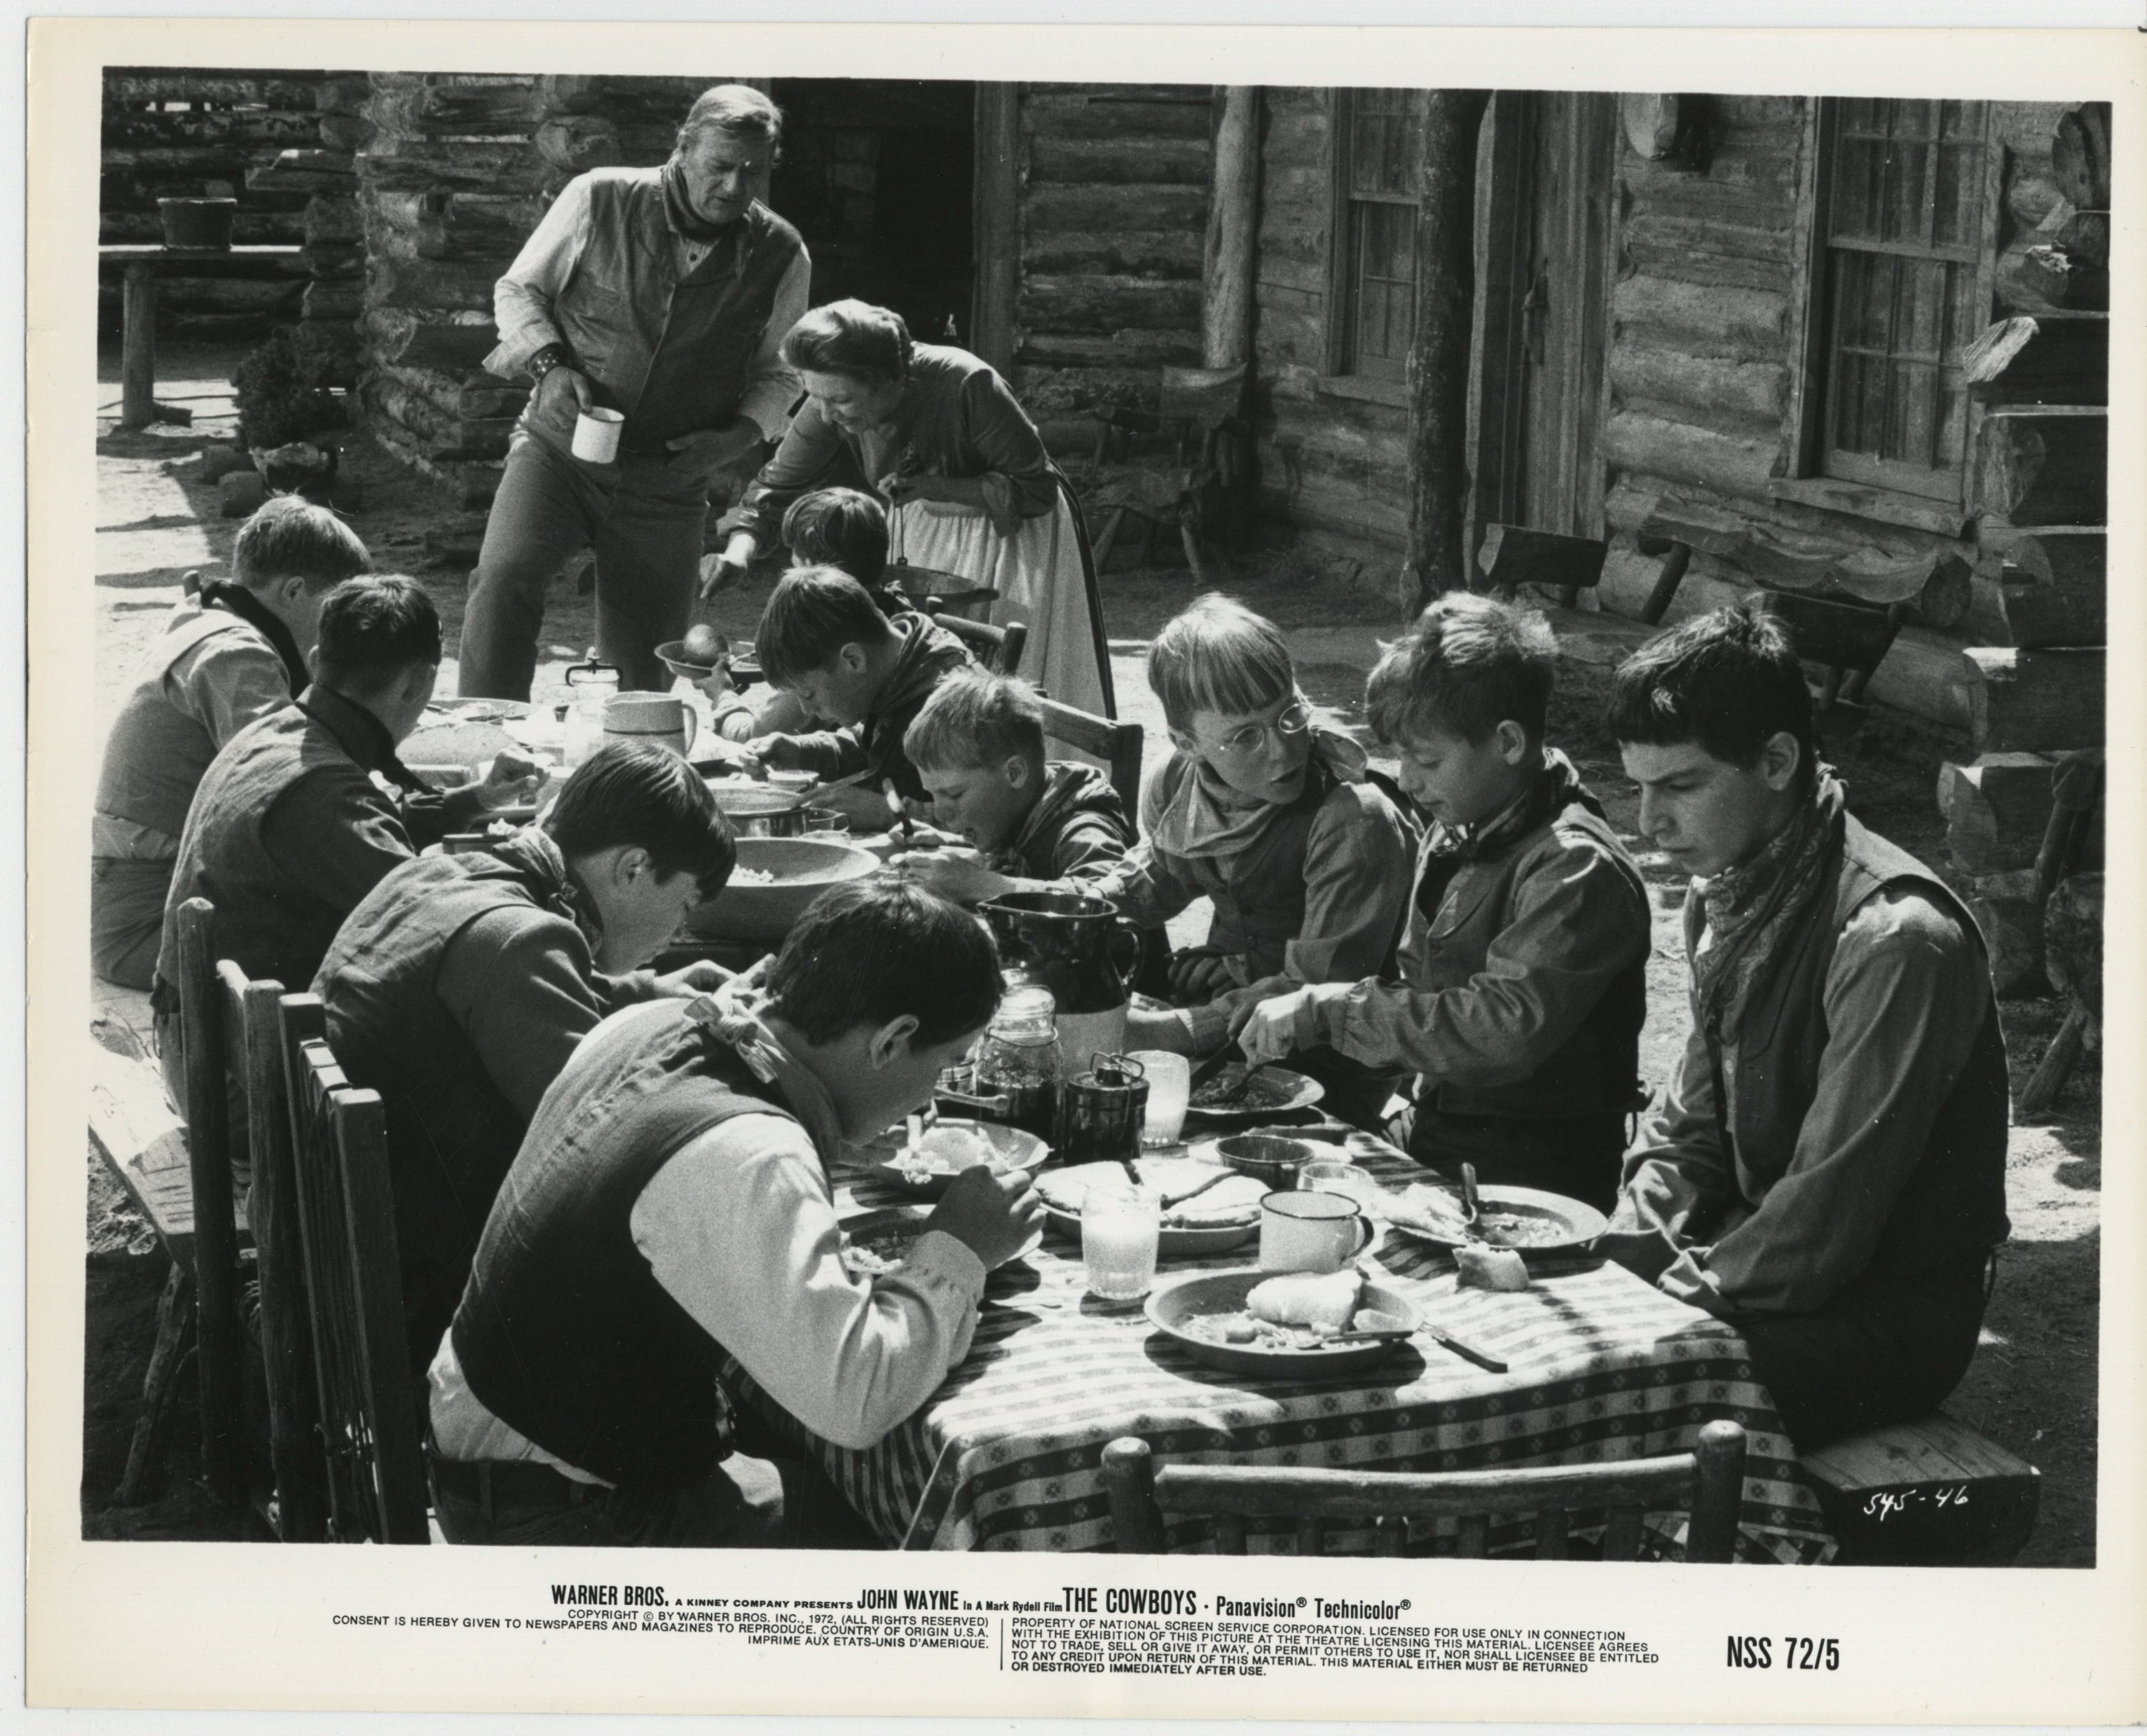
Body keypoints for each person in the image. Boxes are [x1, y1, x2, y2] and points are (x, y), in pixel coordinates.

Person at [425, 879, 1044, 1548]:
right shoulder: (754, 1155)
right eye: (947, 1063)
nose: (931, 1099)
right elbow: (855, 1398)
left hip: (490, 1445)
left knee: (823, 1475)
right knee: (897, 1537)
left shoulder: (650, 1025)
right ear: (892, 1040)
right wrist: (958, 1250)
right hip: (552, 1514)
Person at [1594, 604, 2011, 1450]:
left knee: (1597, 1405)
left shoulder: (1893, 940)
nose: (1648, 823)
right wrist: (1615, 1259)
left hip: (1877, 1318)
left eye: (1679, 786)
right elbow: (1690, 1131)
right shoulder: (1732, 892)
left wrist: (1672, 1296)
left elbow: (1827, 1217)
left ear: (1778, 760)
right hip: (1756, 1270)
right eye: (1638, 787)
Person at [314, 743, 738, 1370]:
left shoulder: (440, 872)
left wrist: (649, 992)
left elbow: (508, 986)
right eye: (685, 905)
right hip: (409, 1299)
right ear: (633, 869)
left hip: (339, 1235)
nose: (678, 932)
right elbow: (599, 1147)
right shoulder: (521, 940)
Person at [1230, 595, 1649, 1210]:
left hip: (1532, 1166)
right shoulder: (1462, 824)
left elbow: (1501, 1028)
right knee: (1278, 1176)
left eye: (1427, 759)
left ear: (1508, 741)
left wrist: (1334, 1010)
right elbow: (1421, 989)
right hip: (1443, 1128)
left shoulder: (1572, 867)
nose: (1408, 780)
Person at [458, 84, 810, 699]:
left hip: (670, 477)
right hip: (560, 449)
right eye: (719, 167)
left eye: (752, 172)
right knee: (504, 579)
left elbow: (780, 373)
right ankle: (486, 739)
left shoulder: (783, 253)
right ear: (682, 148)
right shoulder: (600, 196)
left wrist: (738, 436)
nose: (733, 187)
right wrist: (550, 364)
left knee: (644, 668)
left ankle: (626, 780)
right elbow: (518, 290)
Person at [152, 577, 542, 1103]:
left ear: (316, 660)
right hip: (246, 1093)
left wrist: (473, 800)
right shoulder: (322, 793)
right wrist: (540, 855)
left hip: (204, 1048)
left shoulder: (281, 732)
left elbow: (359, 822)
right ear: (420, 683)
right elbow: (442, 919)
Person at [707, 299, 1114, 719]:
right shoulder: (828, 396)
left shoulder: (965, 383)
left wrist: (935, 486)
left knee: (1005, 672)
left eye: (841, 400)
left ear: (887, 380)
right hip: (921, 524)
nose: (825, 414)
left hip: (1009, 531)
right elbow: (775, 485)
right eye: (817, 398)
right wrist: (740, 551)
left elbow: (1037, 490)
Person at [1102, 595, 1418, 1126]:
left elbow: (1319, 993)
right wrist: (1053, 908)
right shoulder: (1181, 782)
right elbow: (1156, 877)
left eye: (1289, 716)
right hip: (1222, 1025)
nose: (1283, 751)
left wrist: (1171, 1030)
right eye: (1245, 736)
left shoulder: (1352, 817)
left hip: (1325, 1070)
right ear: (1187, 744)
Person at [92, 498, 371, 988]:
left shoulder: (212, 622)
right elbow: (300, 792)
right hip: (151, 927)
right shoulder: (235, 654)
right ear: (295, 591)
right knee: (380, 946)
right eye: (336, 607)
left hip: (151, 905)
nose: (341, 627)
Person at [740, 565, 974, 827]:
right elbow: (872, 743)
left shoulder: (950, 710)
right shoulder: (893, 667)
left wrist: (888, 813)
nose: (806, 710)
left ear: (852, 660)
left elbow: (988, 823)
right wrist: (802, 752)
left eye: (809, 693)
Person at [894, 669, 1133, 900]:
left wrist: (979, 884)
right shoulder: (1018, 810)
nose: (940, 812)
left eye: (954, 794)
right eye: (934, 795)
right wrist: (950, 840)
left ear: (1015, 773)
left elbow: (1104, 897)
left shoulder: (1082, 828)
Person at [701, 486, 893, 745]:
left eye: (794, 553)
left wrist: (722, 695)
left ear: (811, 569)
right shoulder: (893, 613)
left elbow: (755, 734)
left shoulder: (822, 642)